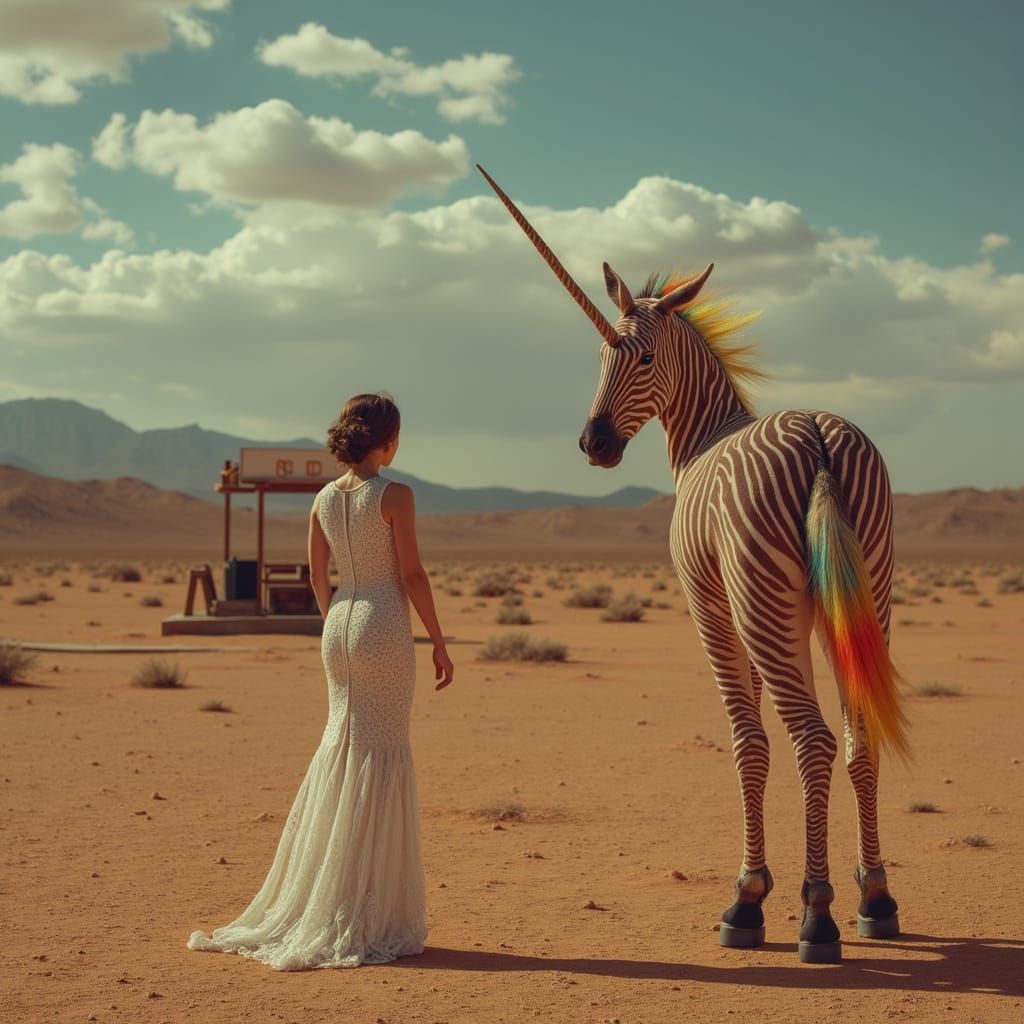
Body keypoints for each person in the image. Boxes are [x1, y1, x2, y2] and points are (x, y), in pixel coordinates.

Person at [187, 392, 453, 970]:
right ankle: (365, 909)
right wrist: (438, 639)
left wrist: (336, 619)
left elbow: (316, 573)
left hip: (338, 625)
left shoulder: (325, 499)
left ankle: (329, 893)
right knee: (381, 749)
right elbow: (411, 573)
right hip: (383, 624)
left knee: (342, 744)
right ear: (388, 441)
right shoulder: (395, 495)